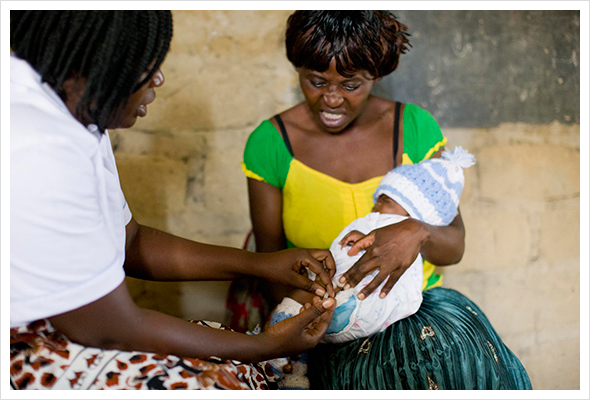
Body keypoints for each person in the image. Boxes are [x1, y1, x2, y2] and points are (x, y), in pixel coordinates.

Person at [10, 10, 337, 390]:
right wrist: (263, 345)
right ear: (100, 61)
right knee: (222, 381)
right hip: (26, 347)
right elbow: (109, 330)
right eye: (148, 64)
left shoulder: (77, 120)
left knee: (235, 363)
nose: (159, 78)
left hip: (86, 326)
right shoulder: (38, 145)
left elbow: (130, 242)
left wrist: (260, 266)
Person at [237, 10, 532, 389]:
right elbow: (270, 265)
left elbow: (454, 246)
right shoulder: (271, 143)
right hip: (323, 317)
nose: (331, 99)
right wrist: (325, 314)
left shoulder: (413, 129)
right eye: (316, 81)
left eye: (350, 85)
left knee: (449, 366)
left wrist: (415, 231)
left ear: (374, 76)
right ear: (297, 69)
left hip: (417, 309)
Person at [270, 147, 476, 344]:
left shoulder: (399, 232)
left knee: (301, 307)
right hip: (360, 312)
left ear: (415, 213)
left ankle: (279, 341)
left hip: (360, 308)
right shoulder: (382, 226)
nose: (375, 206)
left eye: (385, 200)